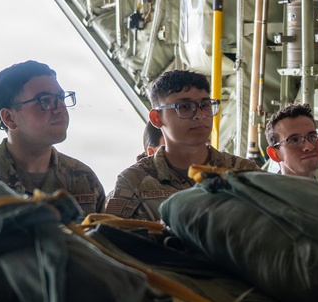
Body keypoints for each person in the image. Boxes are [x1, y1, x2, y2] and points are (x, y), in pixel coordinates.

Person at [0, 61, 104, 214]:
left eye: (61, 98)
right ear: (9, 118)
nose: (60, 108)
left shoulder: (83, 178)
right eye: (45, 101)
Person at [105, 70, 259, 220]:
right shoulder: (134, 183)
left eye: (205, 105)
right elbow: (115, 241)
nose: (200, 115)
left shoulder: (245, 172)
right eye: (184, 107)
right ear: (156, 118)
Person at [265, 103, 318, 178]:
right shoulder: (263, 189)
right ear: (274, 154)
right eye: (294, 140)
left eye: (312, 137)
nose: (309, 146)